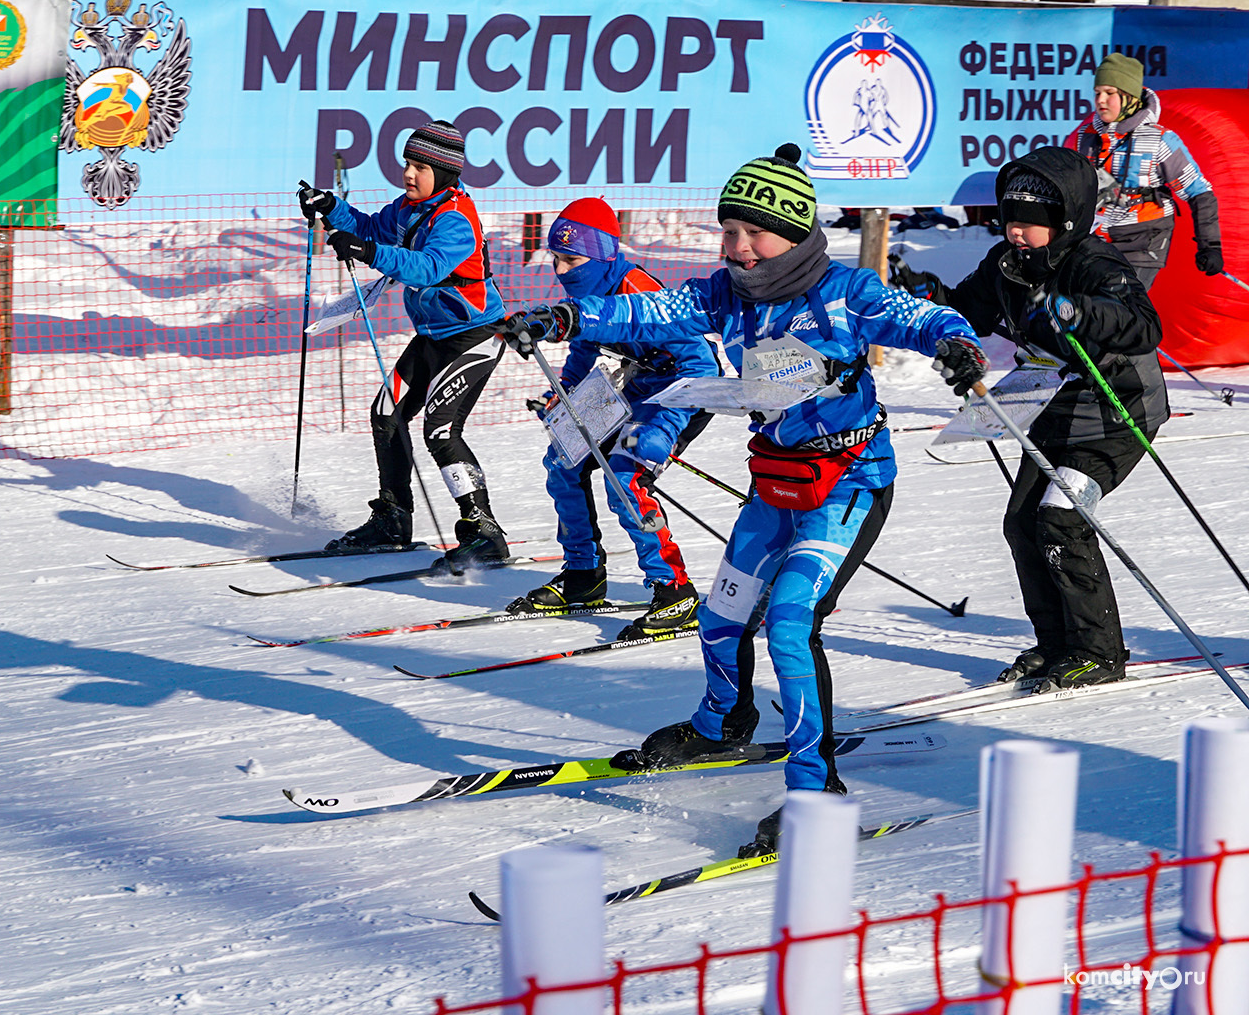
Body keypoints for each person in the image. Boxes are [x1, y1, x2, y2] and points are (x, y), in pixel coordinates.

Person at [502, 144, 987, 857]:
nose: (737, 247)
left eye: (753, 232)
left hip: (847, 481)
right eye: (728, 232)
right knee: (722, 615)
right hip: (774, 482)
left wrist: (959, 345)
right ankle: (722, 722)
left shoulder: (846, 291)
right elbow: (647, 312)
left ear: (793, 233)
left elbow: (923, 318)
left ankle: (815, 791)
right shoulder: (725, 293)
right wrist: (565, 321)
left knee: (789, 624)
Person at [933, 147, 1166, 690]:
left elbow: (1143, 325)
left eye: (1031, 226)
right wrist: (928, 300)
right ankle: (1055, 642)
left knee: (1060, 518)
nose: (1017, 234)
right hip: (1050, 410)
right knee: (1022, 524)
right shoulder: (1005, 264)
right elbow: (968, 310)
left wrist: (1075, 311)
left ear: (1063, 224)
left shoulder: (1095, 262)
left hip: (1116, 413)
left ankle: (1099, 651)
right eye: (1011, 221)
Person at [296, 120, 509, 570]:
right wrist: (331, 207)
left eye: (420, 166)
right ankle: (394, 518)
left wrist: (367, 253)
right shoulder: (412, 207)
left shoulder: (454, 218)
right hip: (433, 336)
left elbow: (426, 268)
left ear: (445, 172)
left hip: (473, 334)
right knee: (386, 412)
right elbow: (371, 229)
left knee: (441, 428)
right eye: (407, 164)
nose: (409, 174)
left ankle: (484, 531)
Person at [506, 197, 717, 643]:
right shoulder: (586, 290)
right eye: (556, 259)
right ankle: (583, 574)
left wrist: (664, 423)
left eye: (571, 259)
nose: (562, 270)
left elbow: (701, 362)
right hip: (634, 387)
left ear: (601, 254)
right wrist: (561, 395)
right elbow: (585, 346)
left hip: (681, 388)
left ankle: (673, 590)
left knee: (625, 474)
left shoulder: (636, 288)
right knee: (563, 461)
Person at [1063, 51, 1224, 289]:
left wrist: (1210, 246)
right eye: (1098, 93)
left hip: (1144, 239)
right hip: (1097, 236)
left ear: (1129, 96)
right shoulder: (1088, 137)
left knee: (1118, 310)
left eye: (1110, 93)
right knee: (1081, 309)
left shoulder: (1159, 140)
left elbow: (1199, 192)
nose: (1101, 101)